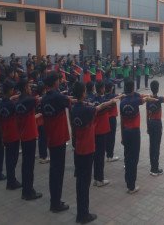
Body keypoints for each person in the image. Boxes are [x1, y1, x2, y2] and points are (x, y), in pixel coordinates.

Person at [71, 82, 118, 224]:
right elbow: (99, 107)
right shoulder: (86, 110)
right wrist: (112, 101)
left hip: (78, 148)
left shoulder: (74, 108)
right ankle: (83, 215)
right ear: (83, 93)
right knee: (84, 184)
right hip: (87, 148)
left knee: (80, 183)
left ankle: (81, 212)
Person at [41, 72, 71, 213]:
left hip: (51, 137)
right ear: (55, 82)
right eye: (59, 80)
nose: (60, 82)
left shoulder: (44, 98)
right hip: (59, 138)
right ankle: (55, 204)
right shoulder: (58, 96)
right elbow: (70, 101)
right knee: (58, 172)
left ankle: (55, 200)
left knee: (54, 170)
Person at [120, 80, 156, 193]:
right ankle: (132, 186)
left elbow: (121, 120)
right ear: (133, 88)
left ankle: (128, 182)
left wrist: (121, 136)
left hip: (125, 131)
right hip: (134, 133)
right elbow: (145, 99)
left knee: (127, 155)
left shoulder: (122, 102)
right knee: (134, 158)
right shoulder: (137, 101)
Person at [16, 78, 43, 200]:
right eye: (28, 86)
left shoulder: (19, 100)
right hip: (30, 136)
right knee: (29, 166)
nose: (30, 88)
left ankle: (25, 190)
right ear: (25, 87)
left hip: (23, 134)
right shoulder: (29, 100)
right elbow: (40, 99)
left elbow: (29, 116)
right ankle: (28, 192)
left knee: (25, 164)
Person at [146, 80, 164, 176]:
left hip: (150, 122)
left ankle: (152, 166)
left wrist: (147, 126)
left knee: (151, 145)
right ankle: (155, 169)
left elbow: (147, 114)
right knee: (156, 146)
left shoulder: (148, 100)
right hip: (157, 123)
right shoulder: (159, 99)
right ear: (157, 89)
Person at [0, 80, 21, 190]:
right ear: (10, 90)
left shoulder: (1, 103)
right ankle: (12, 181)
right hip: (13, 134)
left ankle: (10, 180)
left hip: (5, 134)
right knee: (13, 158)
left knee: (8, 159)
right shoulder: (12, 105)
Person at [105, 82, 120, 162]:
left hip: (106, 119)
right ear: (111, 88)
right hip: (112, 119)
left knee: (107, 136)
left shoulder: (104, 96)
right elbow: (120, 96)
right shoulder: (112, 96)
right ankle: (110, 155)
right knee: (111, 137)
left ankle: (108, 153)